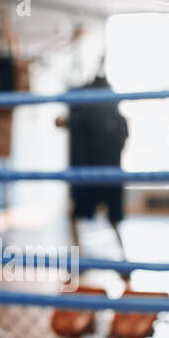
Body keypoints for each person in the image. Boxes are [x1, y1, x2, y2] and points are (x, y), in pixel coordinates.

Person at [64, 71, 130, 259]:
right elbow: (125, 139)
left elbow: (69, 126)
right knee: (113, 218)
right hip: (110, 173)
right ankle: (123, 258)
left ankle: (78, 257)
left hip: (89, 174)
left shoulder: (84, 112)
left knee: (77, 216)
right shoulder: (116, 114)